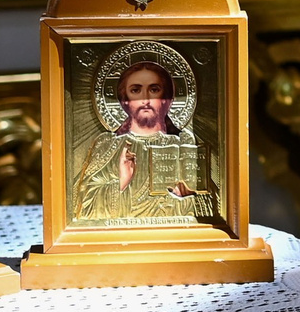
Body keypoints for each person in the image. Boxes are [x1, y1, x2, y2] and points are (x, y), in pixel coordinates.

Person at [74, 47, 219, 226]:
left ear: (167, 99)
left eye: (154, 89)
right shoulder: (108, 146)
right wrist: (121, 181)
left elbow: (212, 210)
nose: (145, 99)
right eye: (135, 90)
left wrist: (185, 197)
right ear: (124, 100)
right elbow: (84, 209)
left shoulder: (184, 147)